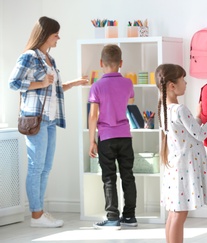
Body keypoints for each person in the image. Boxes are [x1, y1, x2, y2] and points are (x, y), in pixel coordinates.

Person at [9, 16, 88, 228]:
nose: (58, 38)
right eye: (55, 34)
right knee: (36, 167)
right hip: (36, 119)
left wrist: (75, 83)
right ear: (45, 35)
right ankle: (36, 215)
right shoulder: (29, 57)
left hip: (51, 119)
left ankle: (40, 212)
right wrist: (40, 82)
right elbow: (13, 83)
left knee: (45, 167)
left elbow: (52, 89)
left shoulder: (49, 59)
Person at [155, 64, 207, 243]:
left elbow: (188, 130)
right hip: (184, 169)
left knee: (174, 216)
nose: (186, 83)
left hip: (176, 167)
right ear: (172, 85)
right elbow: (199, 135)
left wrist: (197, 116)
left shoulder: (165, 109)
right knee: (179, 216)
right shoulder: (179, 108)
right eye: (183, 79)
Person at [88, 44, 137, 230]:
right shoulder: (128, 83)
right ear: (121, 63)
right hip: (125, 136)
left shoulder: (97, 86)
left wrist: (91, 140)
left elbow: (93, 115)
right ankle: (130, 217)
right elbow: (130, 101)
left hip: (106, 138)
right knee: (128, 176)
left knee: (109, 178)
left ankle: (112, 217)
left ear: (101, 63)